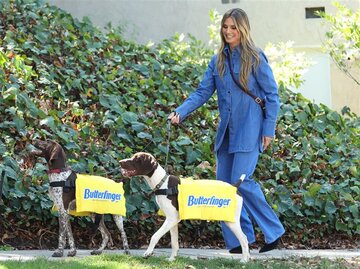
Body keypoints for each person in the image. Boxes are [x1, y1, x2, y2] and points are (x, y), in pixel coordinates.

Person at [167, 8, 285, 253]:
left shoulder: (255, 57)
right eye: (225, 27)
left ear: (242, 29)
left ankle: (274, 232)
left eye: (233, 27)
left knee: (242, 182)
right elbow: (202, 92)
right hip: (227, 131)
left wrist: (268, 129)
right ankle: (239, 241)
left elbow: (272, 96)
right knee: (223, 187)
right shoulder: (217, 60)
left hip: (251, 129)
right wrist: (181, 111)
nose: (229, 31)